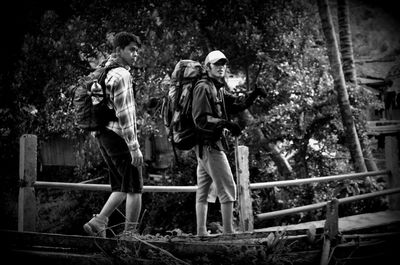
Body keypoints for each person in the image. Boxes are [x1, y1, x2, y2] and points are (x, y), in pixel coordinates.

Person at [192, 50, 266, 236]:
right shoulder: (203, 88)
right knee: (228, 188)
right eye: (217, 64)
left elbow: (237, 104)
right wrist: (225, 124)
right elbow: (200, 120)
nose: (221, 67)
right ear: (208, 67)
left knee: (204, 190)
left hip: (205, 148)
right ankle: (228, 233)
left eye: (223, 64)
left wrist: (254, 94)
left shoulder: (217, 87)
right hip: (210, 146)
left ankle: (201, 233)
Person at [83, 31, 144, 238]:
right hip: (118, 136)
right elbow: (126, 115)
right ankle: (131, 236)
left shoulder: (102, 71)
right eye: (131, 50)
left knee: (121, 185)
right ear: (119, 50)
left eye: (137, 51)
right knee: (135, 188)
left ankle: (99, 221)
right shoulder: (122, 75)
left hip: (102, 135)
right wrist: (134, 147)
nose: (135, 54)